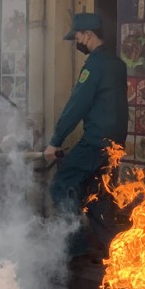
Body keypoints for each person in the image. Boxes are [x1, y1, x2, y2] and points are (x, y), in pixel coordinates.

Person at [44, 13, 128, 257]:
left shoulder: (94, 65)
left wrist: (55, 142)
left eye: (77, 37)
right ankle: (114, 252)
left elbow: (76, 106)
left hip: (96, 141)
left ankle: (75, 244)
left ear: (88, 35)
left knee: (61, 184)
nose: (77, 42)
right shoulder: (117, 64)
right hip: (115, 144)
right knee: (97, 195)